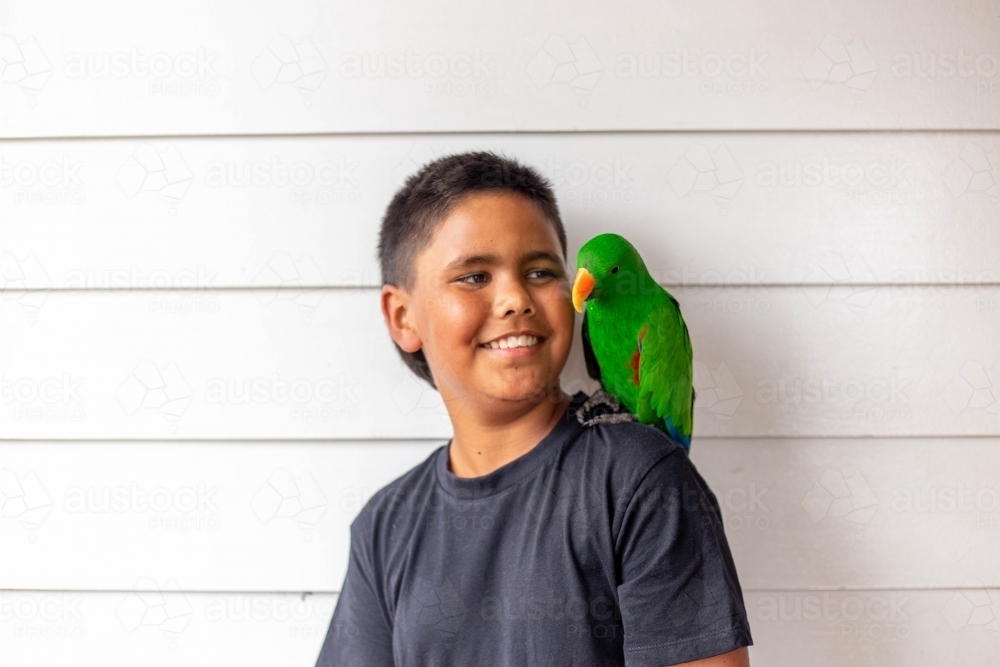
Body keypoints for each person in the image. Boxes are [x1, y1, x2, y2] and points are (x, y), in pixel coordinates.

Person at [315, 151, 753, 666]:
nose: (515, 299)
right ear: (402, 316)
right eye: (475, 277)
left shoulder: (643, 482)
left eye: (542, 271)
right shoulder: (385, 525)